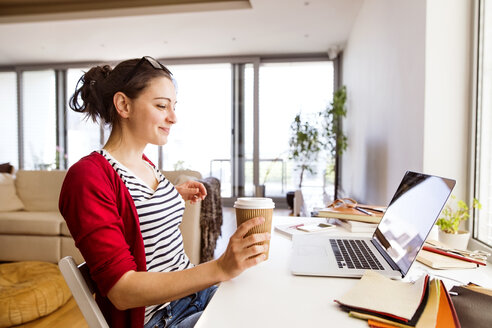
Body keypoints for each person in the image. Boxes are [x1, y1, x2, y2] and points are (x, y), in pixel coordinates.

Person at [59, 56, 270, 328]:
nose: (173, 117)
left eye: (173, 106)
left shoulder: (145, 164)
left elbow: (135, 208)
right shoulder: (87, 177)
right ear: (123, 104)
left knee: (271, 302)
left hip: (196, 295)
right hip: (162, 319)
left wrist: (173, 193)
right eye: (161, 106)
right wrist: (219, 267)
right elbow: (122, 291)